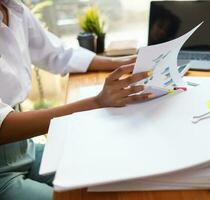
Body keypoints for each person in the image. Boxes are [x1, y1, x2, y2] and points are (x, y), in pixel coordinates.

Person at [0, 0, 153, 199]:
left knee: (110, 174)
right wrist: (97, 102)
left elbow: (57, 53)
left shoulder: (13, 7)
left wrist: (121, 62)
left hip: (24, 150)